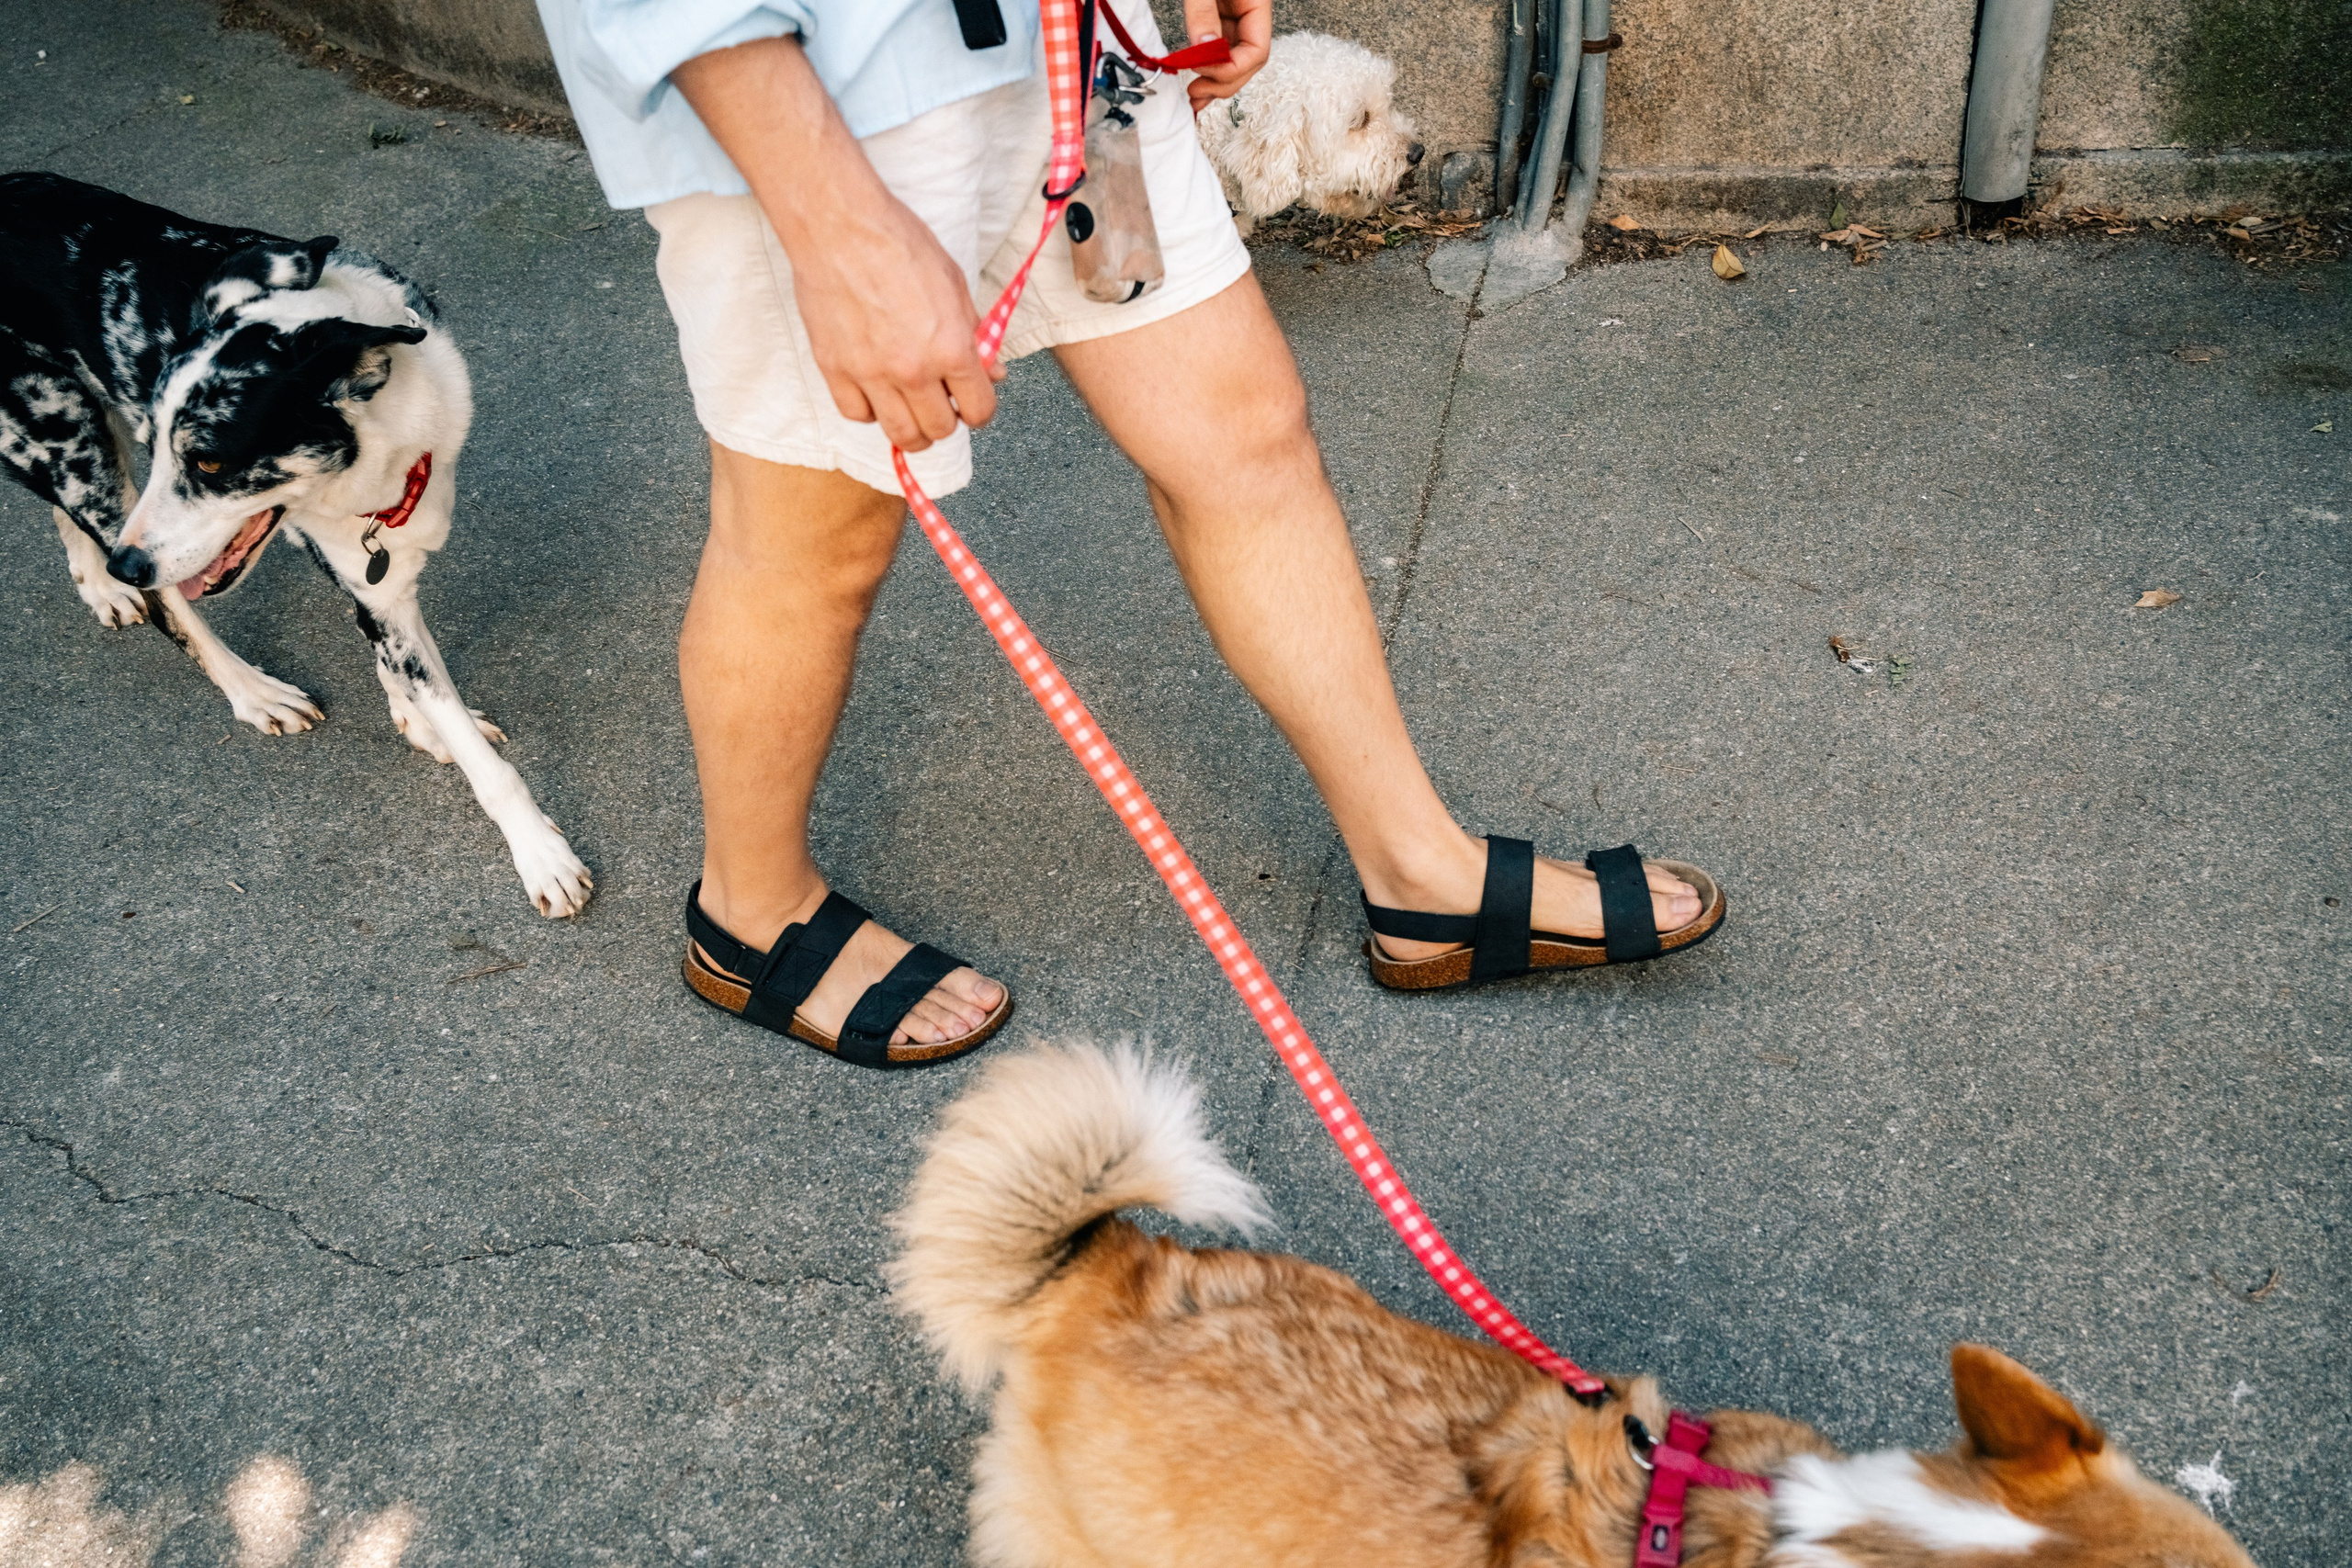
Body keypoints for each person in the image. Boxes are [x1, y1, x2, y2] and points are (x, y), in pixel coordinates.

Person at [538, 0, 1724, 1069]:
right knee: (814, 537)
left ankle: (1423, 875)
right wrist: (837, 229)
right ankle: (754, 911)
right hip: (818, 97)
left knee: (1244, 437)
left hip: (1064, 50)